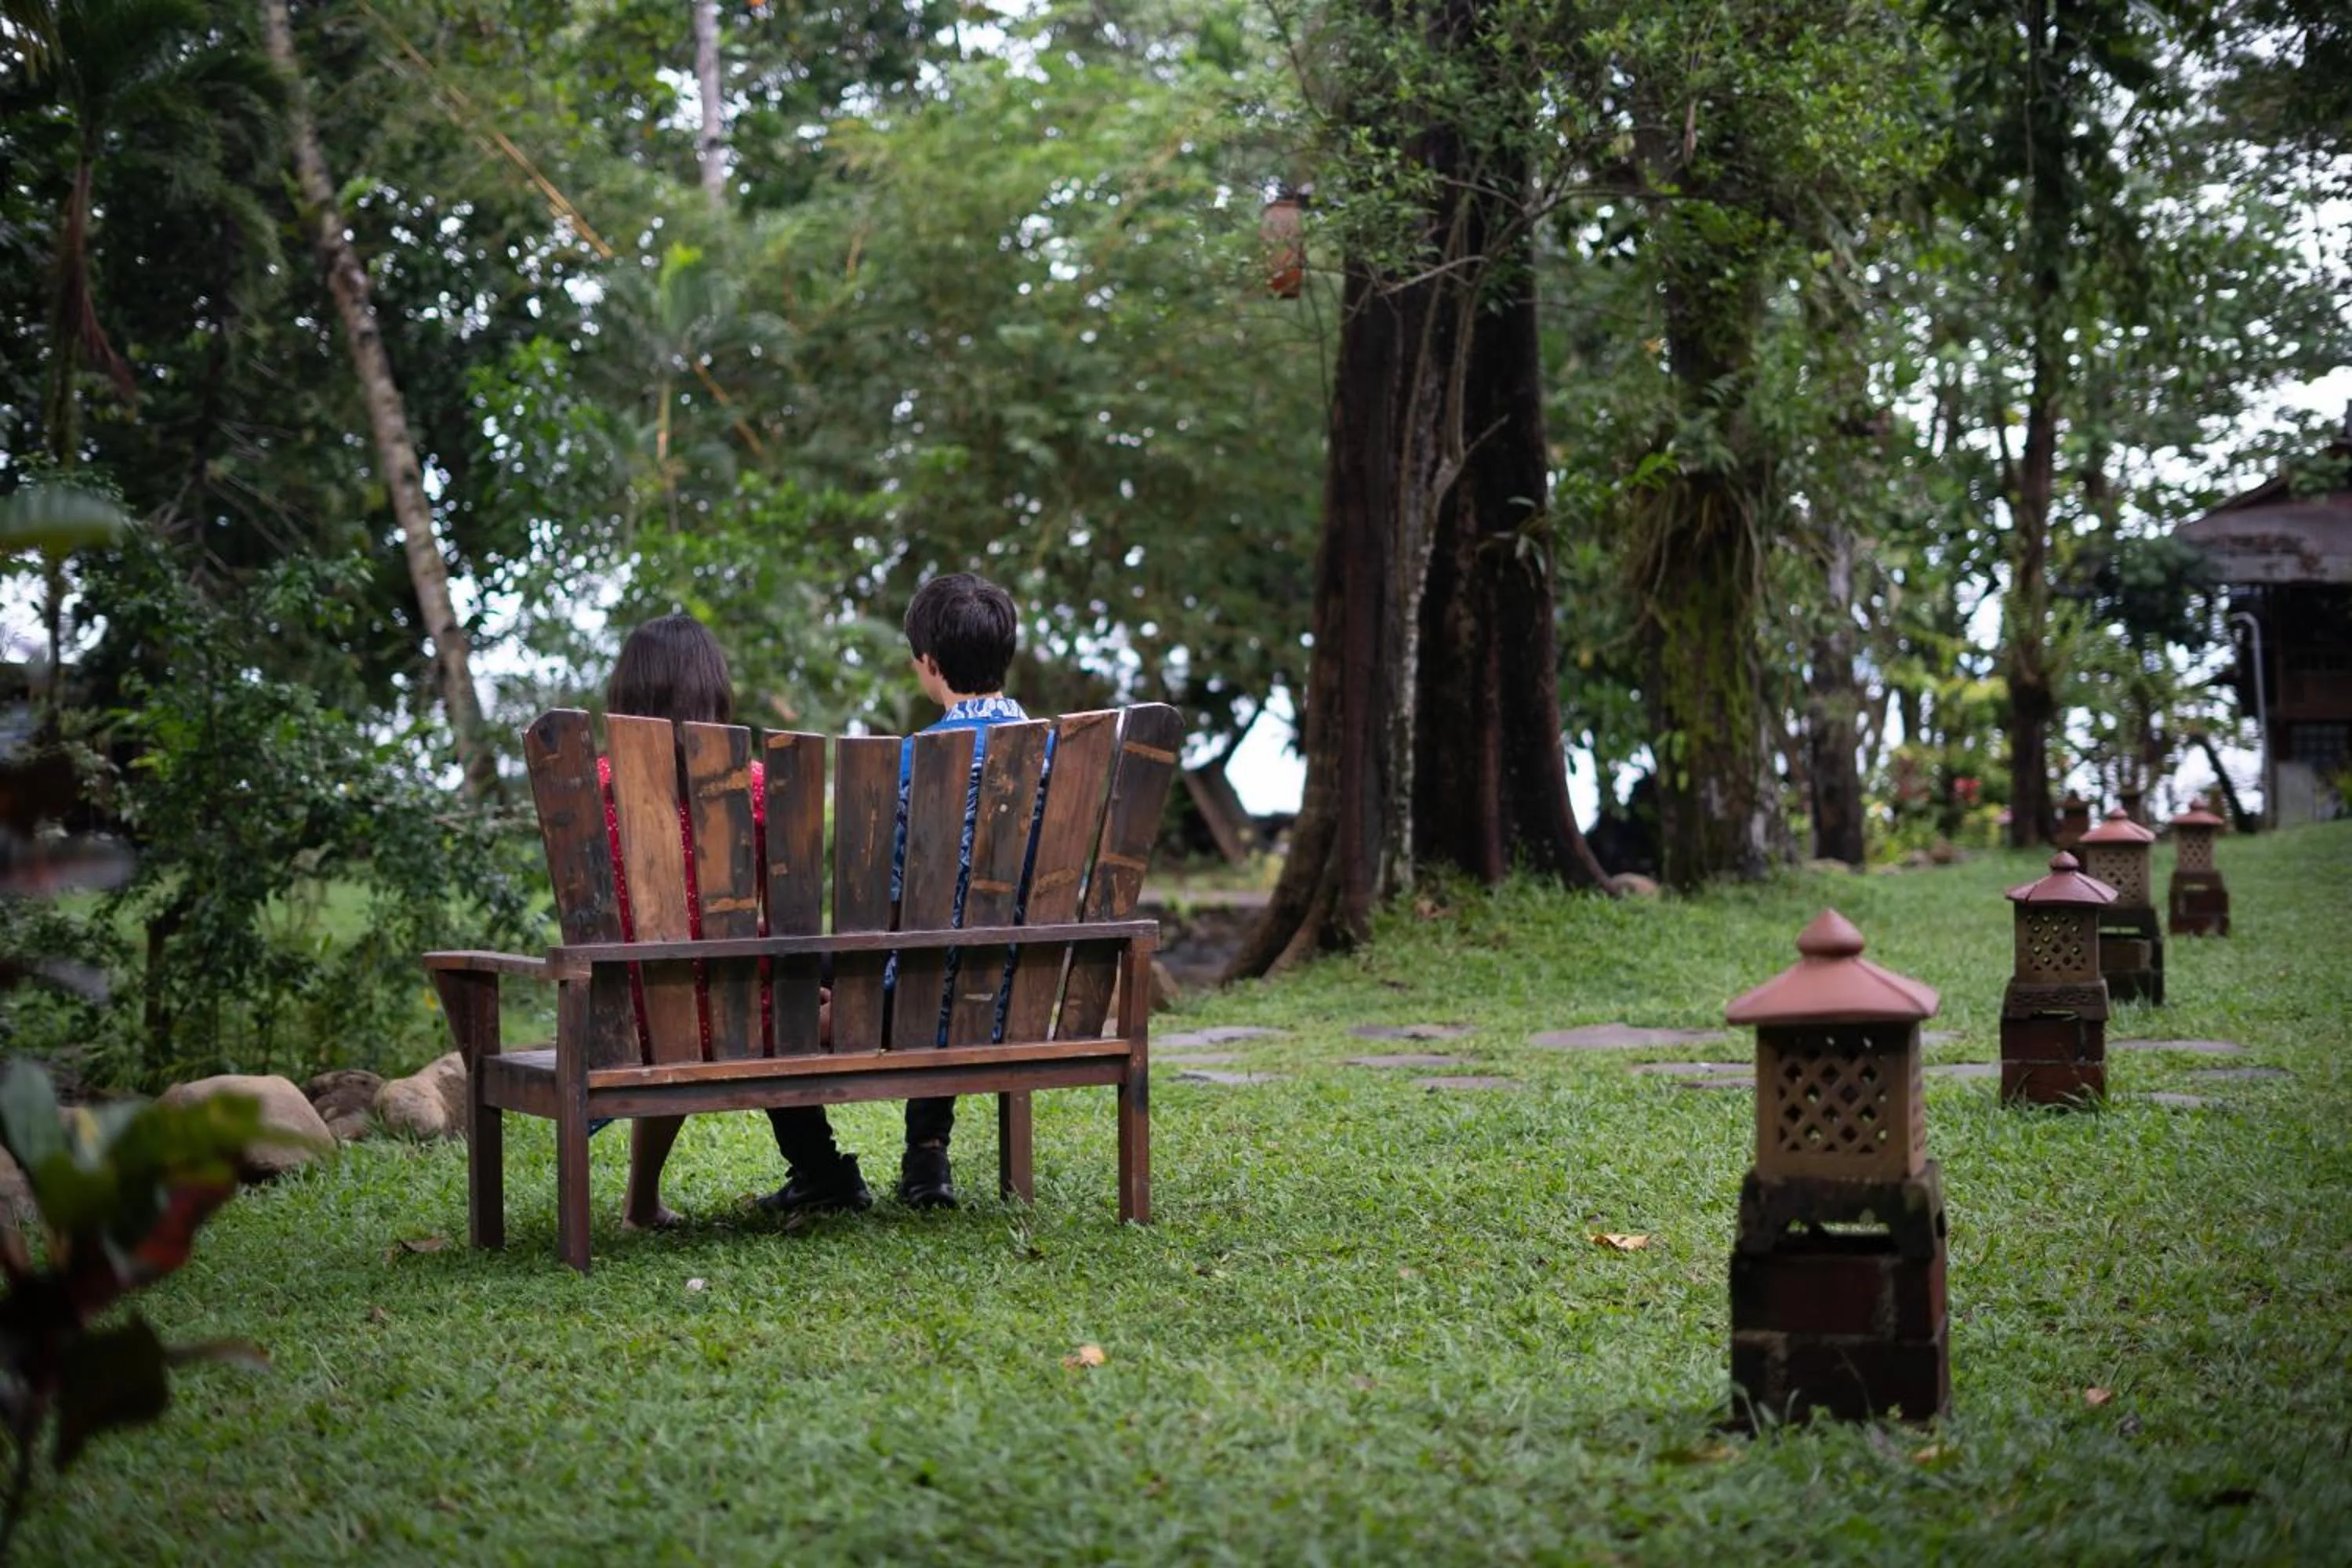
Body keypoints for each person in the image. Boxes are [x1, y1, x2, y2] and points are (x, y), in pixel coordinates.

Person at [763, 572, 1036, 1217]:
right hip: (1025, 986)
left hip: (917, 992)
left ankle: (821, 1170)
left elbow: (883, 910)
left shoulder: (915, 764)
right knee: (948, 956)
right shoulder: (1058, 752)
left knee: (779, 991)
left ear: (931, 663)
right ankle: (927, 1154)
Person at [596, 612, 768, 1231]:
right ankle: (820, 1168)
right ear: (711, 693)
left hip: (613, 1010)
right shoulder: (746, 787)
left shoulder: (590, 789)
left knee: (666, 1004)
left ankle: (641, 1204)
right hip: (724, 1008)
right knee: (819, 1007)